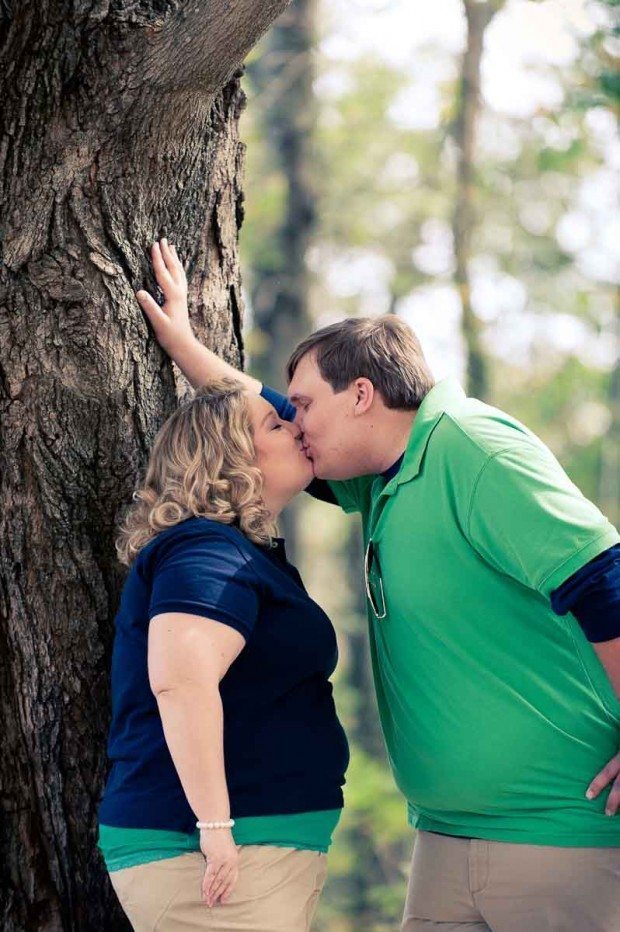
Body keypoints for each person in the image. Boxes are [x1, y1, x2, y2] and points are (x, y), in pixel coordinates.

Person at [138, 239, 620, 931]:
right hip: (444, 840)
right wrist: (184, 345)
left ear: (361, 394)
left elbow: (606, 577)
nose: (294, 423)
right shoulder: (383, 477)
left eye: (306, 405)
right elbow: (262, 413)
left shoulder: (474, 449)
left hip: (555, 835)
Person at [97, 376, 350, 931]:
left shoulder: (239, 554)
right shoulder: (205, 549)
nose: (296, 426)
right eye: (276, 424)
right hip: (211, 854)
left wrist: (189, 347)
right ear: (229, 458)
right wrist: (215, 826)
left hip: (252, 851)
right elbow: (182, 682)